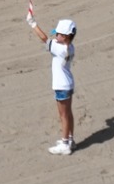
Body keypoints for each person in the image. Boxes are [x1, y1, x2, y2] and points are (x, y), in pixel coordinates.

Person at [29, 13, 78, 155]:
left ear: (66, 36)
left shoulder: (59, 48)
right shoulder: (70, 47)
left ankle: (64, 144)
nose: (55, 36)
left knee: (63, 115)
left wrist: (32, 23)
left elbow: (44, 38)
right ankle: (70, 140)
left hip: (61, 86)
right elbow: (51, 39)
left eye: (58, 34)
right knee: (68, 113)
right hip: (68, 83)